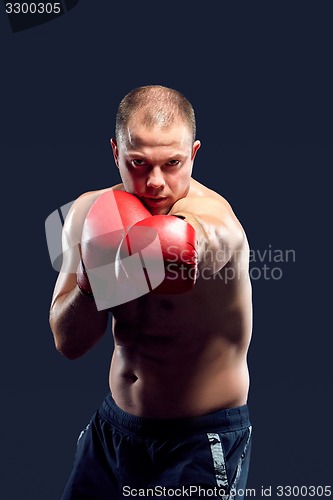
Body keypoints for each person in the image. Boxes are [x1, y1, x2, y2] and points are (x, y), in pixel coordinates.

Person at [49, 85, 253, 500]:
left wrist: (167, 245)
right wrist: (91, 278)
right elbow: (67, 342)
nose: (155, 182)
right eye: (138, 163)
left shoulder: (219, 223)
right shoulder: (88, 214)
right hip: (115, 431)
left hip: (198, 440)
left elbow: (200, 244)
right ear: (115, 152)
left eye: (172, 163)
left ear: (194, 154)